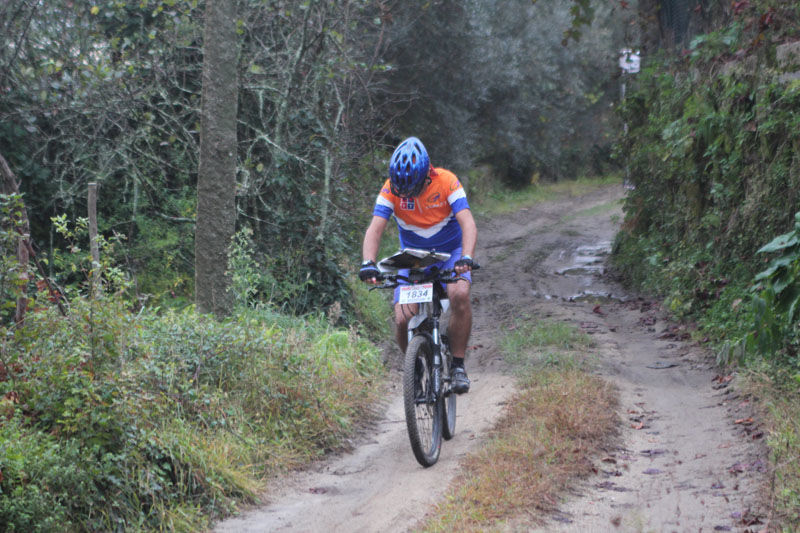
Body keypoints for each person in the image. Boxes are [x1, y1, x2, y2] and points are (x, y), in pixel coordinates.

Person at [359, 137, 477, 394]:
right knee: (402, 319)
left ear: (427, 175)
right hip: (413, 258)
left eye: (412, 188)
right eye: (402, 189)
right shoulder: (390, 188)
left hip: (450, 253)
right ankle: (415, 366)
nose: (406, 194)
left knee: (459, 294)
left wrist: (466, 257)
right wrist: (368, 263)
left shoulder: (447, 181)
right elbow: (375, 229)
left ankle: (457, 365)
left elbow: (467, 222)